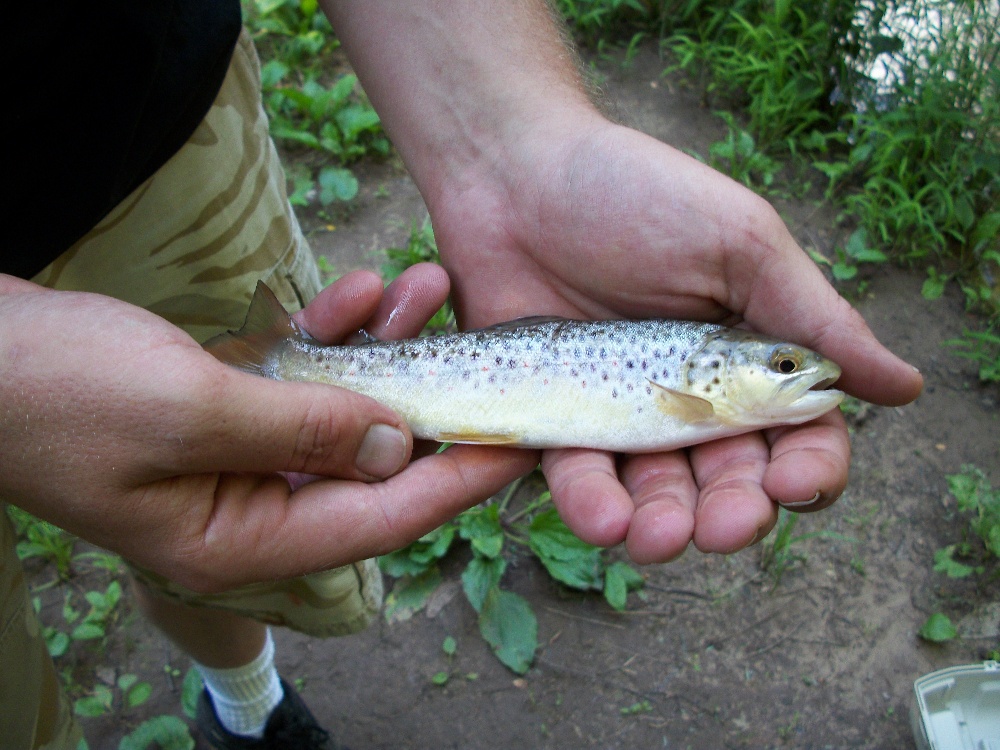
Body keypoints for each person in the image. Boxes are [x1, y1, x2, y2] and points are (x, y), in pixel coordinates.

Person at [1, 1, 923, 748]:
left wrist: (515, 137)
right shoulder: (695, 397)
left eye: (789, 366)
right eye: (787, 365)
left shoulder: (706, 394)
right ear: (727, 373)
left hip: (146, 91)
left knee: (215, 470)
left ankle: (247, 702)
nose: (806, 372)